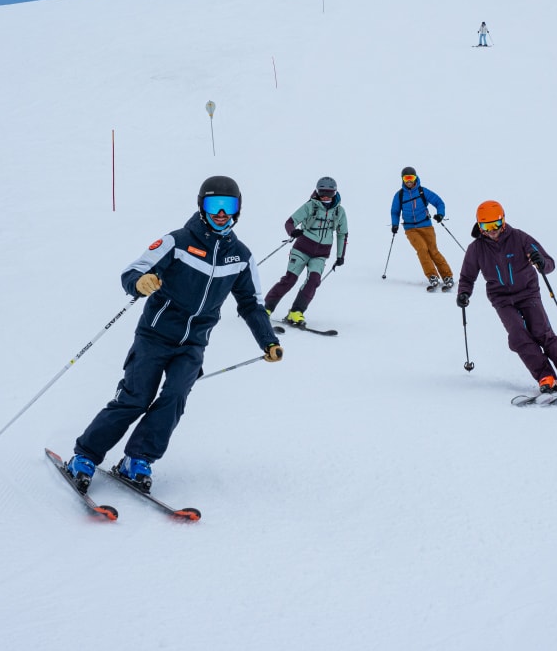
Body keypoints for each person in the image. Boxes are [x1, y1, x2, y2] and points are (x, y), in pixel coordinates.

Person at [66, 175, 283, 492]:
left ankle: (137, 459)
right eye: (214, 205)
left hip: (193, 345)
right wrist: (140, 283)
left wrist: (269, 341)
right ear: (201, 206)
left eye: (229, 206)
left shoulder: (241, 257)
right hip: (155, 336)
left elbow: (251, 304)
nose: (221, 213)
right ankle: (84, 455)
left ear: (238, 210)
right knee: (135, 398)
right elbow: (134, 270)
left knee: (174, 398)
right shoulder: (178, 241)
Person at [456, 200, 557, 394]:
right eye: (486, 226)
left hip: (528, 293)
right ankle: (546, 377)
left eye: (495, 225)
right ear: (479, 225)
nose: (491, 230)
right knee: (518, 336)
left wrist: (540, 263)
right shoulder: (476, 249)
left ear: (503, 221)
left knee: (542, 333)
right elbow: (467, 275)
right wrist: (464, 292)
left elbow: (549, 263)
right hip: (501, 299)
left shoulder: (520, 238)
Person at [264, 176, 348, 326]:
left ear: (335, 193)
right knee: (290, 280)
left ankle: (296, 312)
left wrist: (340, 256)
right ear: (317, 192)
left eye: (329, 194)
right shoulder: (310, 206)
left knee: (314, 281)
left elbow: (342, 234)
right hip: (302, 248)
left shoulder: (339, 212)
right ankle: (266, 308)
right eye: (322, 193)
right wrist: (292, 232)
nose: (326, 197)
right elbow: (290, 222)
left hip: (321, 253)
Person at [390, 166, 454, 290]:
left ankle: (447, 276)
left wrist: (440, 214)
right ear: (402, 179)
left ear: (415, 178)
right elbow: (395, 211)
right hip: (410, 229)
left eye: (411, 178)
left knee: (433, 251)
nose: (409, 181)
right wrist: (395, 224)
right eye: (406, 178)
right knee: (422, 249)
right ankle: (432, 276)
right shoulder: (399, 195)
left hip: (426, 225)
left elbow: (439, 202)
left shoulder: (422, 191)